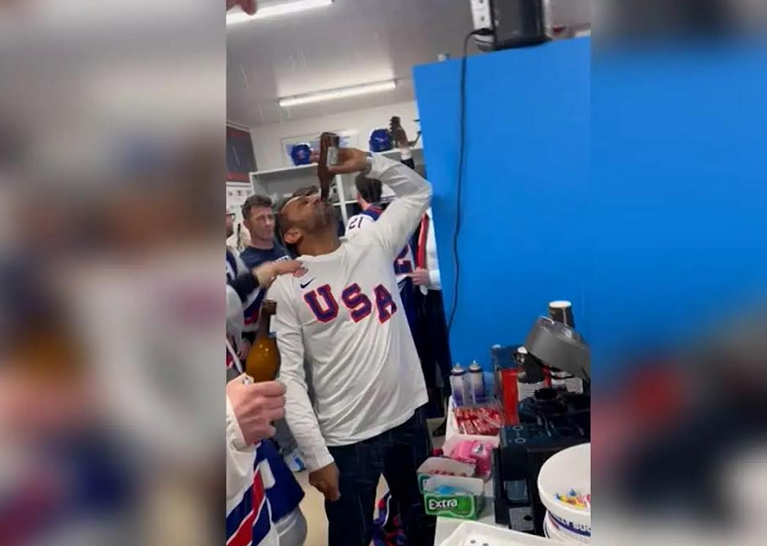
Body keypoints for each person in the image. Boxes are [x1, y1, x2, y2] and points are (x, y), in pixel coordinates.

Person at [269, 148, 435, 546]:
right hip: (348, 437)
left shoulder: (372, 243)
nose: (313, 197)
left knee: (425, 521)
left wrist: (368, 163)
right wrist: (316, 456)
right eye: (301, 201)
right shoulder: (286, 288)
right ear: (291, 235)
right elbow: (289, 379)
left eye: (312, 194)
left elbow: (419, 192)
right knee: (350, 536)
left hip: (408, 417)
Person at [345, 174, 417, 332]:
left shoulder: (360, 221)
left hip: (386, 290)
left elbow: (355, 262)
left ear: (358, 195)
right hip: (407, 286)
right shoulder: (394, 218)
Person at [240, 195, 288, 270]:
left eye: (270, 217)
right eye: (260, 218)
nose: (268, 223)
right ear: (247, 224)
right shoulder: (245, 263)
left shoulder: (286, 248)